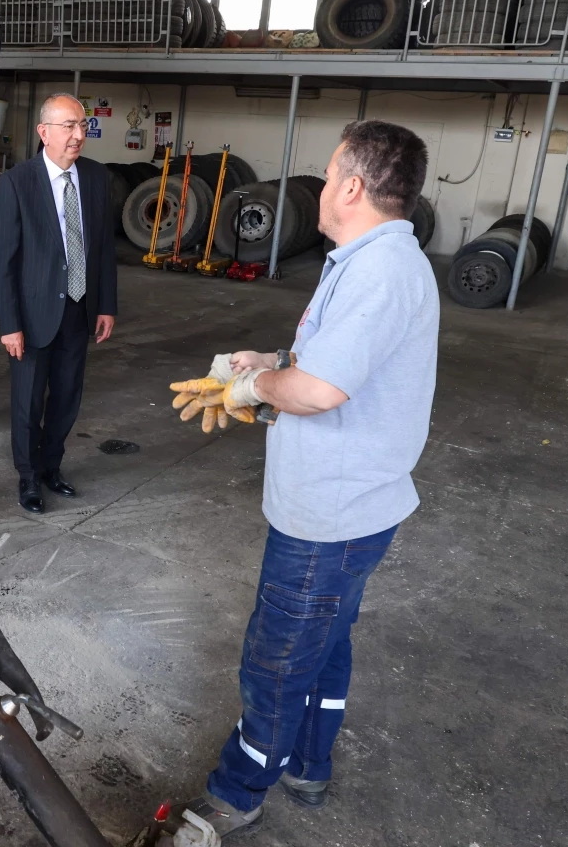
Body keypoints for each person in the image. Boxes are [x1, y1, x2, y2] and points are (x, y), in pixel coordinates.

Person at [163, 120, 438, 842]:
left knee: (278, 659)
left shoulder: (379, 270)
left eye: (327, 169)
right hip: (353, 508)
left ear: (352, 185)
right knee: (327, 640)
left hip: (331, 515)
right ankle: (308, 763)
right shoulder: (368, 258)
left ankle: (237, 791)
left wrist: (252, 387)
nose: (316, 183)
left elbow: (318, 392)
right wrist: (270, 358)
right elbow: (332, 359)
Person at [0, 94, 117, 514]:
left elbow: (102, 250)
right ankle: (27, 478)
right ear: (44, 132)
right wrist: (10, 324)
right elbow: (4, 261)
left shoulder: (96, 179)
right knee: (28, 404)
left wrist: (106, 305)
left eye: (82, 126)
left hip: (79, 311)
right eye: (69, 126)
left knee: (66, 398)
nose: (79, 135)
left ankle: (51, 467)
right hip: (32, 315)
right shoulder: (17, 182)